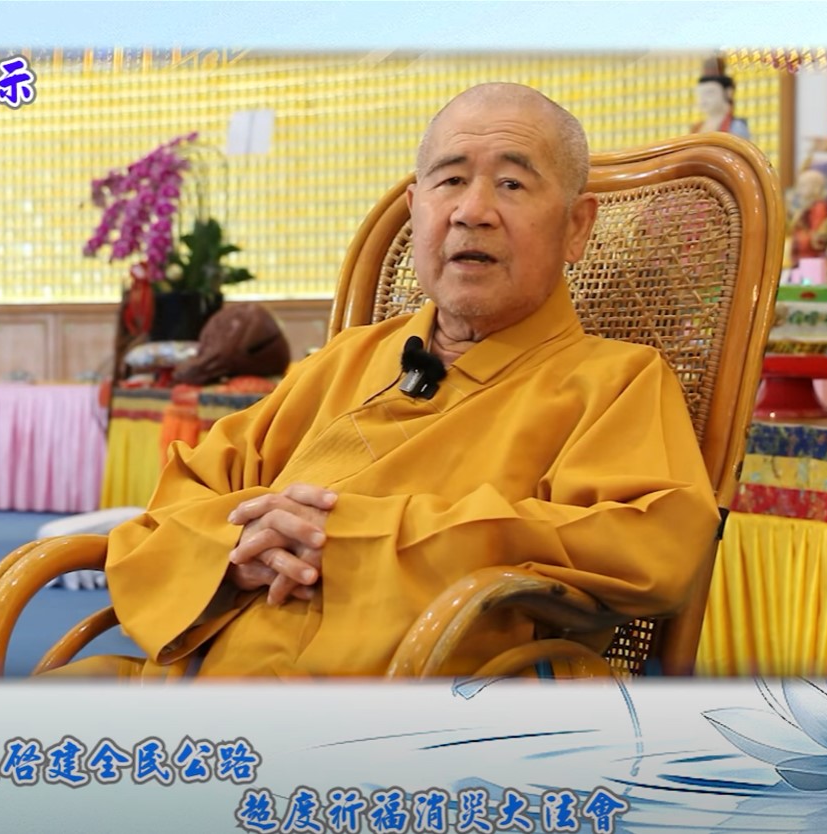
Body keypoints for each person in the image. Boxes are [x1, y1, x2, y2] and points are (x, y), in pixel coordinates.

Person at [50, 83, 720, 679]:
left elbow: (651, 544)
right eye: (450, 181)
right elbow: (182, 498)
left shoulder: (616, 381)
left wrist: (359, 536)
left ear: (576, 227)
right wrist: (236, 551)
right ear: (416, 207)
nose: (473, 211)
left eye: (513, 184)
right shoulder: (346, 360)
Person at [690, 68, 752, 143]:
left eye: (709, 93)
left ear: (728, 92)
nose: (703, 99)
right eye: (700, 94)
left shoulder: (736, 126)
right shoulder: (696, 127)